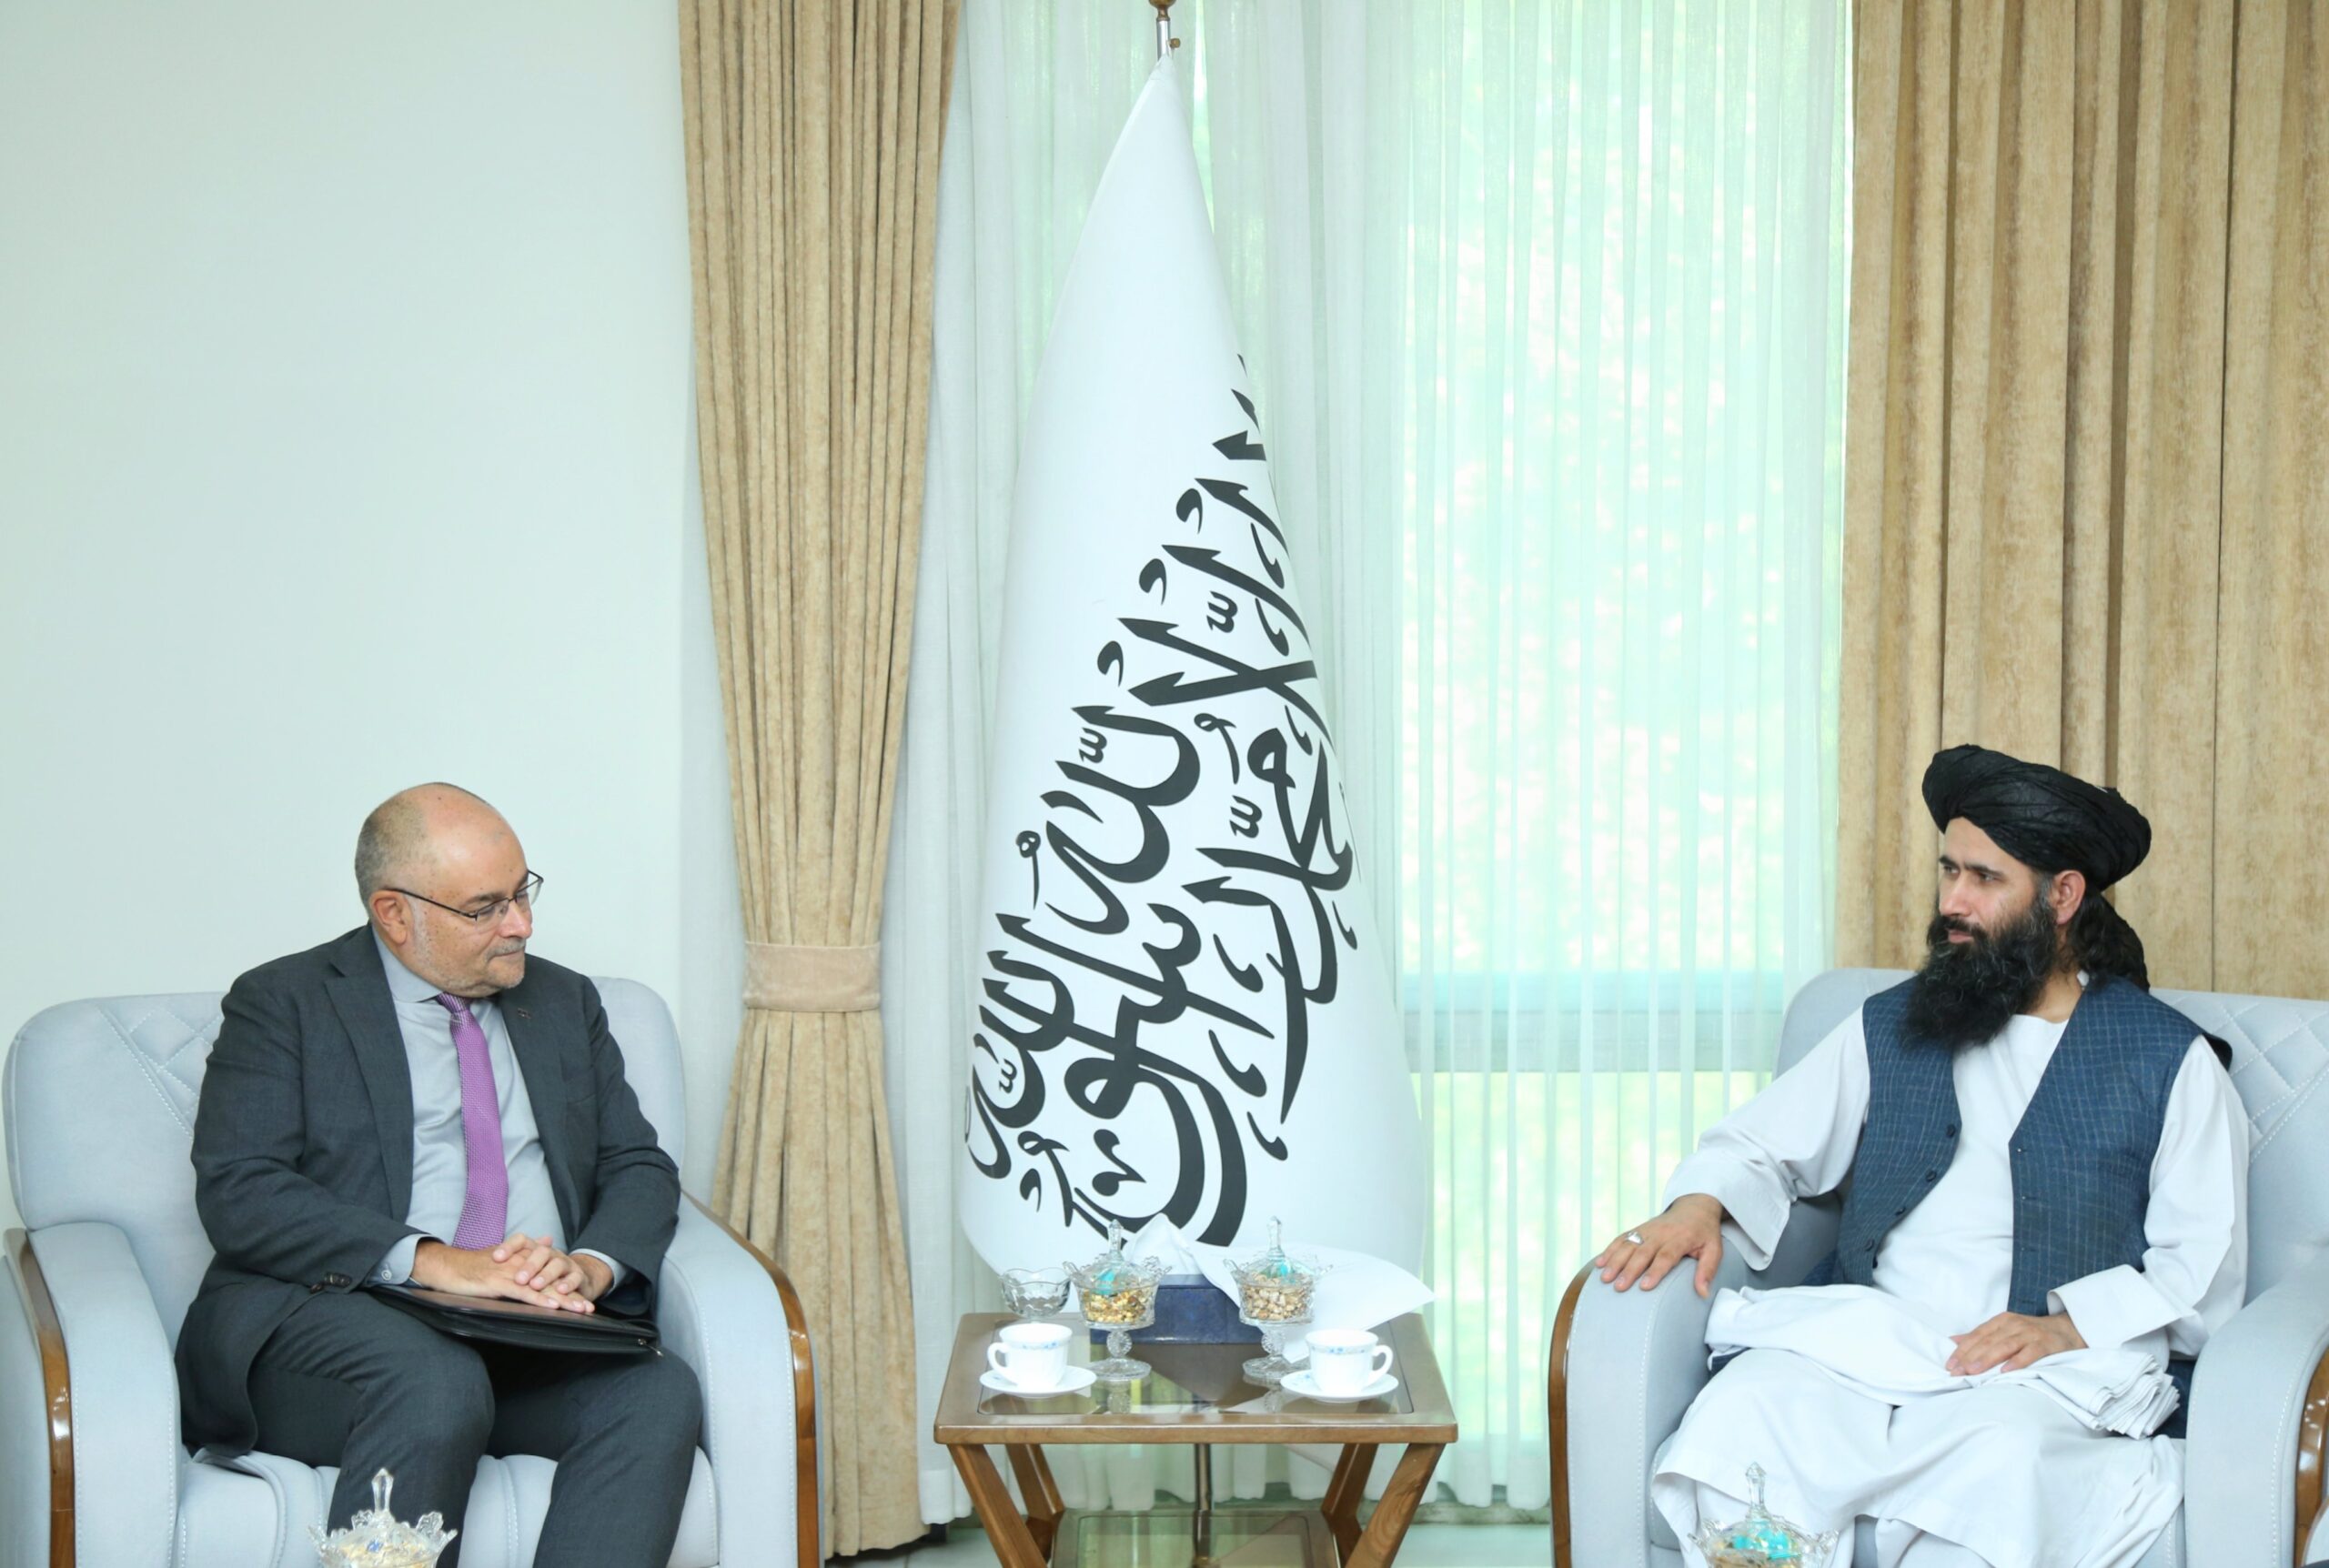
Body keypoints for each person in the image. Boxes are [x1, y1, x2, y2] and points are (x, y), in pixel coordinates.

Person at [1596, 745, 2247, 1568]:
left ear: (2063, 896)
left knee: (2003, 1461)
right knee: (1746, 1410)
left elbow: (2202, 1269)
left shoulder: (2169, 1059)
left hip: (2040, 1375)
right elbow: (1761, 1142)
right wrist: (1698, 1205)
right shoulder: (1892, 1022)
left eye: (1984, 878)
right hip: (1873, 1340)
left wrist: (2066, 1327)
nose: (1952, 903)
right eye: (1949, 871)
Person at [176, 784, 701, 1566]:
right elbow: (241, 1189)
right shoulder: (285, 1003)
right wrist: (435, 1261)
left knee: (655, 1390)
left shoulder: (564, 1001)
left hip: (520, 1332)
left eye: (522, 893)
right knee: (434, 1380)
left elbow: (635, 1163)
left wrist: (590, 1268)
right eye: (485, 908)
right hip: (331, 1329)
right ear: (394, 913)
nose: (520, 924)